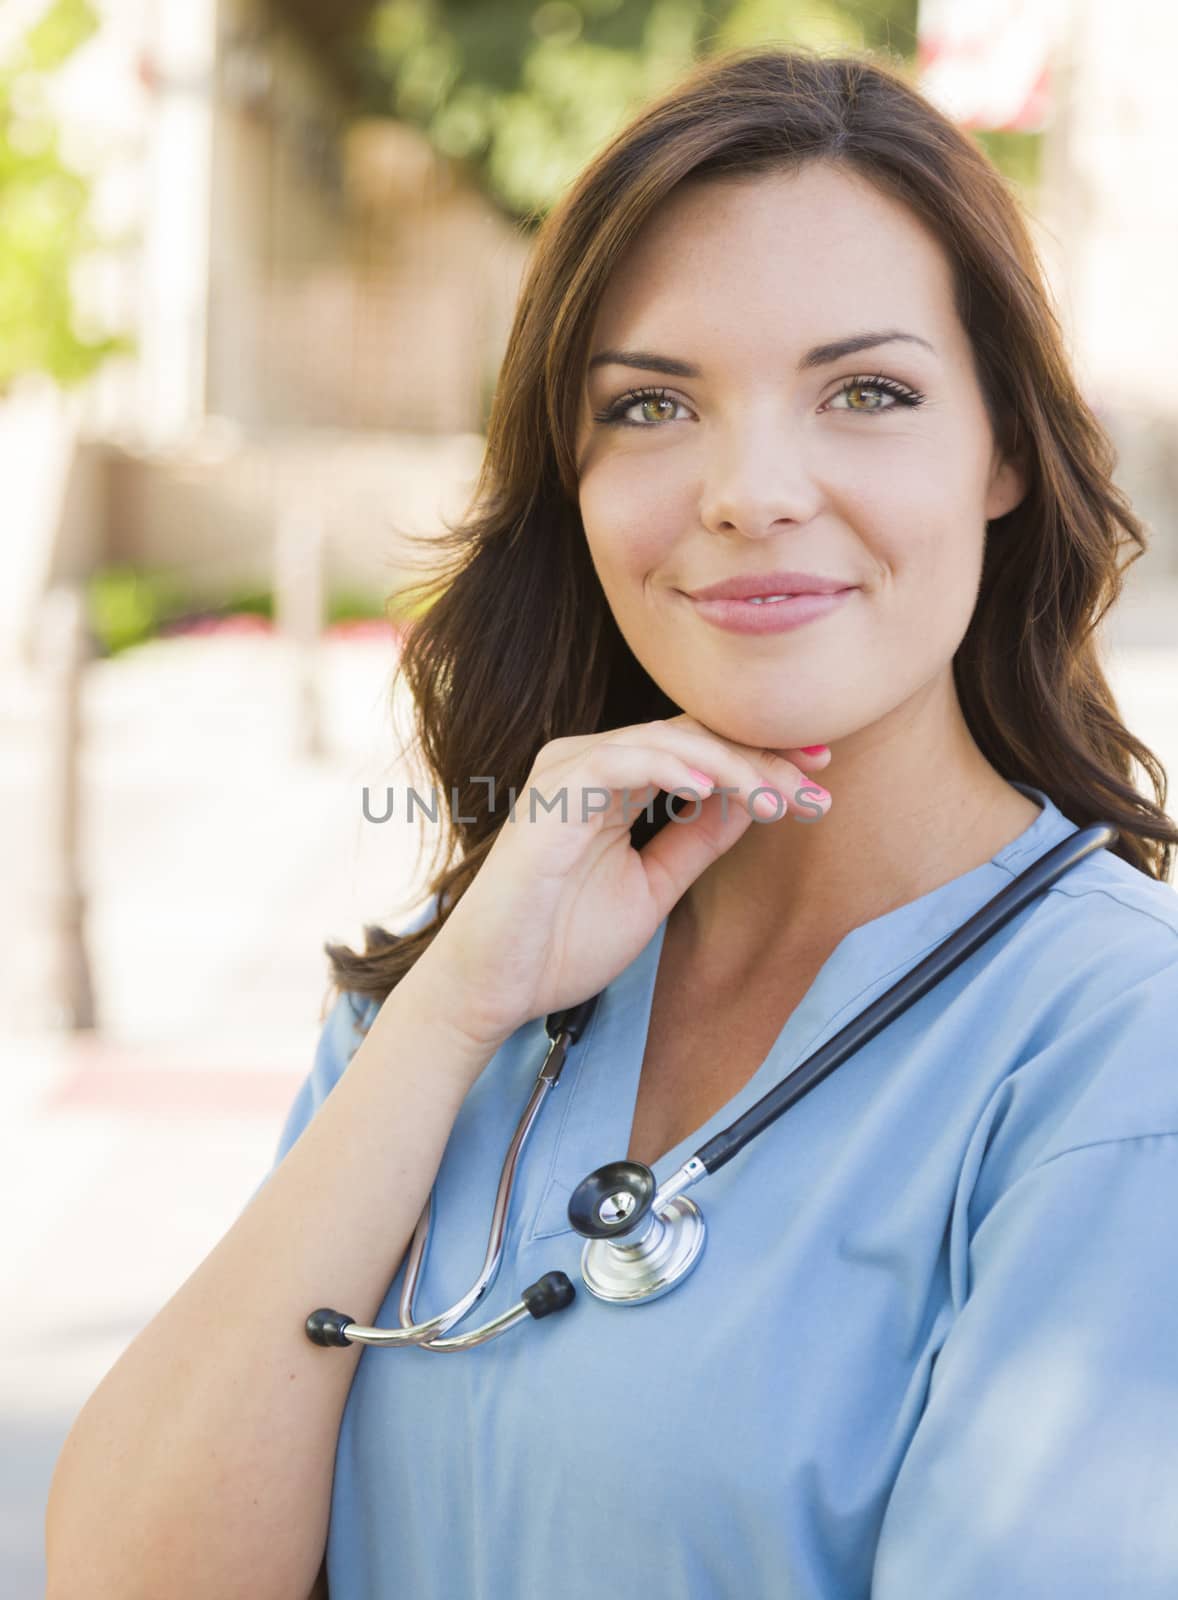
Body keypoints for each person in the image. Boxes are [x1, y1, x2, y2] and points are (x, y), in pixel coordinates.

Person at [47, 45, 1178, 1600]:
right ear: (566, 479)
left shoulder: (1120, 1058)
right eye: (651, 405)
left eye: (866, 391)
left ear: (1001, 451)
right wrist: (446, 1015)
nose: (749, 488)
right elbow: (134, 1573)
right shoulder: (473, 987)